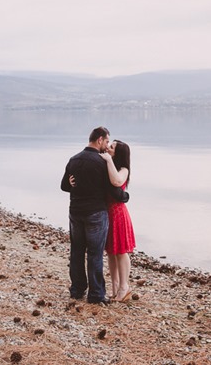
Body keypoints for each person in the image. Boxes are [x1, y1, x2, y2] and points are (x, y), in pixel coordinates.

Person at [61, 127, 129, 304]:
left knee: (76, 251)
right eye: (107, 142)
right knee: (95, 253)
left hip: (75, 212)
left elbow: (64, 186)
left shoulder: (74, 159)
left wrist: (71, 183)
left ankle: (77, 290)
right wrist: (125, 196)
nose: (106, 146)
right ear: (99, 140)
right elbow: (114, 190)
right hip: (95, 213)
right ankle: (96, 294)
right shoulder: (101, 162)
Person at [100, 139, 136, 302]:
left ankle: (124, 287)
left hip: (118, 213)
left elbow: (117, 181)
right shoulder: (109, 165)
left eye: (112, 147)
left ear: (118, 153)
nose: (108, 148)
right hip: (107, 213)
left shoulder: (123, 169)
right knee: (111, 252)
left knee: (121, 251)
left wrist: (107, 159)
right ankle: (115, 287)